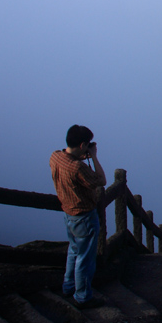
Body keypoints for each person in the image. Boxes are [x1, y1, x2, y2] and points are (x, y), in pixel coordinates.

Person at [50, 125, 107, 309]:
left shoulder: (55, 157)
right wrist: (94, 157)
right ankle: (83, 296)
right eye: (88, 144)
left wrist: (82, 155)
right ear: (82, 144)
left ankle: (68, 286)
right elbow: (100, 181)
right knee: (85, 258)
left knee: (73, 251)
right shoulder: (77, 168)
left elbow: (71, 166)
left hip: (68, 214)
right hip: (84, 217)